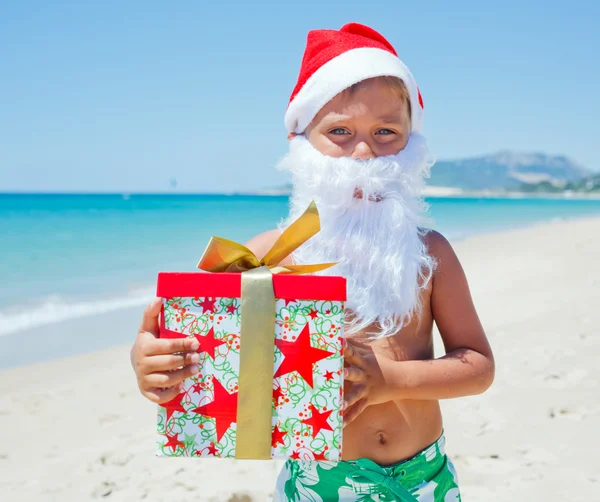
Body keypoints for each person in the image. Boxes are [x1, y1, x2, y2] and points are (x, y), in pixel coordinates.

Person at [130, 23, 495, 501]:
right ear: (300, 140)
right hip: (314, 481)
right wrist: (150, 363)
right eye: (339, 131)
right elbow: (193, 342)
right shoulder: (268, 254)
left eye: (386, 132)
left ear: (412, 143)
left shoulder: (429, 252)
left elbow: (479, 366)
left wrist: (392, 381)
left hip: (421, 479)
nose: (363, 152)